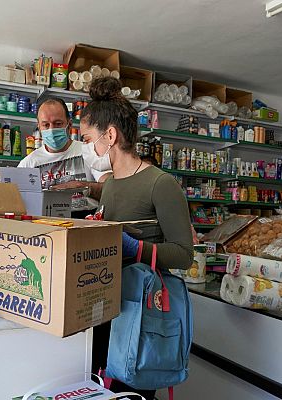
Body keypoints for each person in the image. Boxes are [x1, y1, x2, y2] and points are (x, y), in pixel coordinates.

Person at [80, 77, 194, 397]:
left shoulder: (161, 183)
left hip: (142, 314)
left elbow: (185, 254)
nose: (88, 148)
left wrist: (135, 247)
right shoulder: (112, 185)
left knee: (133, 391)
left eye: (88, 139)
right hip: (107, 307)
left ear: (110, 135)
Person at [17, 97, 107, 213]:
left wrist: (83, 187)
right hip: (46, 225)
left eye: (58, 124)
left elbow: (109, 188)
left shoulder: (89, 150)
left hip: (86, 223)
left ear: (69, 125)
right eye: (46, 125)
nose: (51, 130)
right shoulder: (28, 164)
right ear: (39, 127)